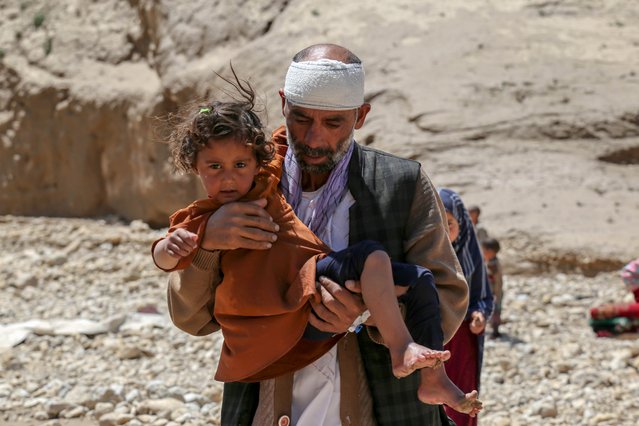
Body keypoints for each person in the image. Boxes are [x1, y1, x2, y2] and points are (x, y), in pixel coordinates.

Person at [166, 44, 469, 426]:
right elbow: (192, 318)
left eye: (333, 123)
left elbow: (446, 296)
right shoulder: (246, 183)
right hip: (265, 399)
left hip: (381, 407)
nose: (313, 138)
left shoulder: (401, 185)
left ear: (360, 116)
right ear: (283, 105)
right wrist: (207, 245)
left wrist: (367, 313)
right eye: (302, 118)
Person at [438, 188, 494, 426]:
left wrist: (479, 315)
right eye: (438, 221)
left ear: (461, 223)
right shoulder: (422, 252)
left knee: (461, 401)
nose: (444, 228)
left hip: (461, 342)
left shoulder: (471, 254)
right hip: (430, 339)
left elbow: (483, 297)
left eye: (449, 222)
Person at [482, 238, 504, 339]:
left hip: (494, 292)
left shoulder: (493, 265)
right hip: (492, 292)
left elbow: (498, 282)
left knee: (495, 312)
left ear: (490, 252)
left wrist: (496, 294)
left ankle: (495, 332)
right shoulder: (490, 262)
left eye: (485, 251)